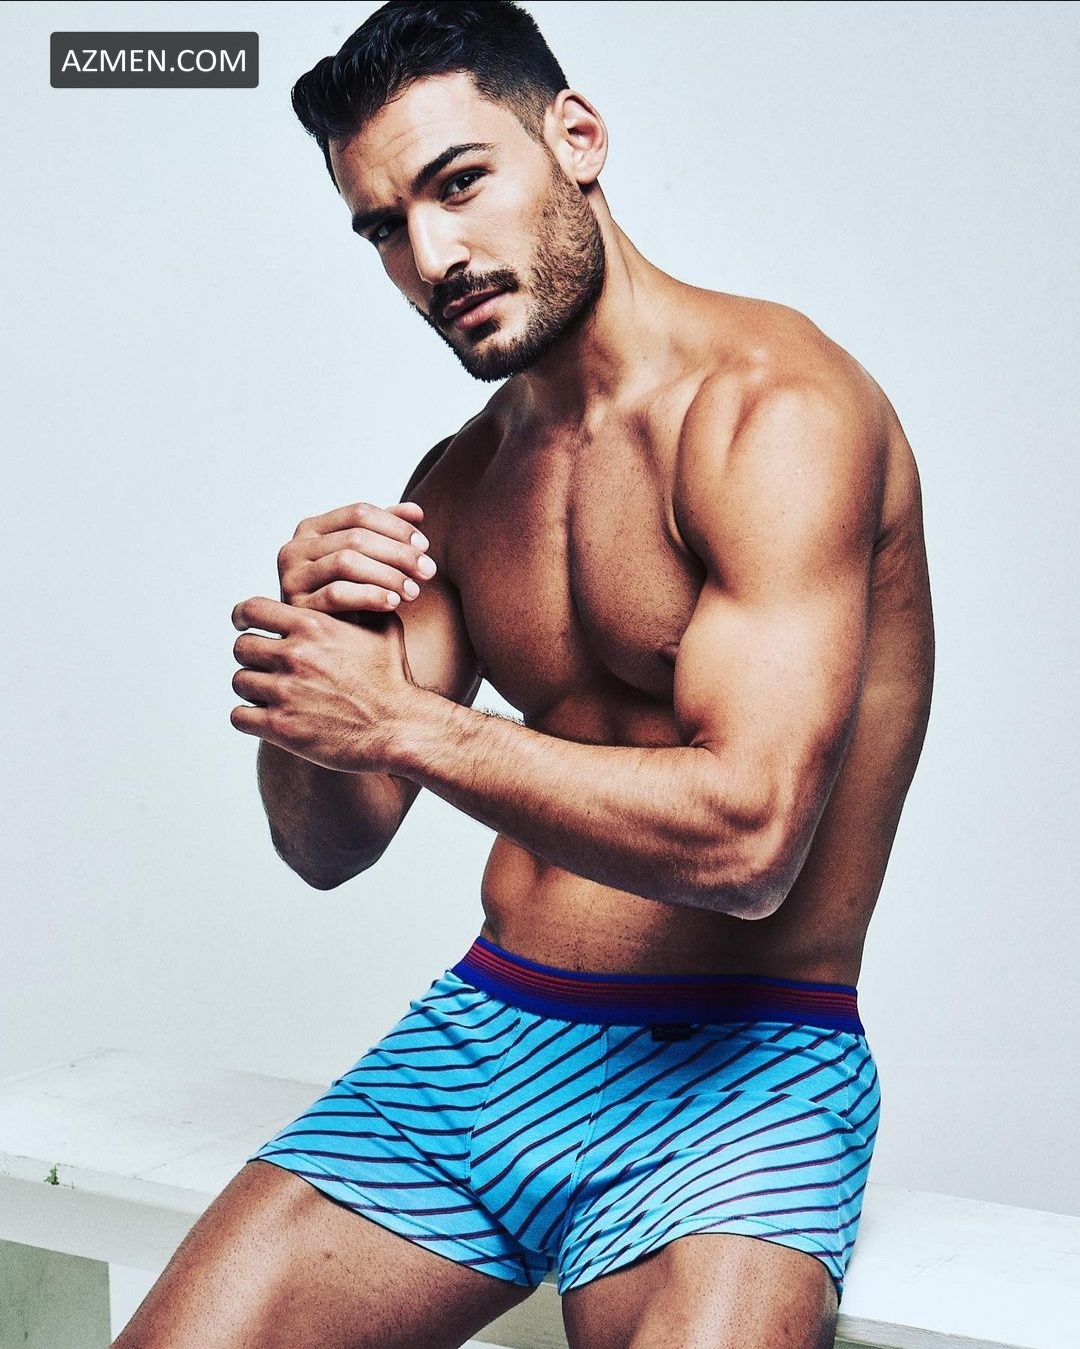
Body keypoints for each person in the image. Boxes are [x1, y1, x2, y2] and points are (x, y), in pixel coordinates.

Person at [114, 3, 934, 1346]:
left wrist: (406, 723)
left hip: (744, 1073)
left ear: (577, 139)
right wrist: (324, 661)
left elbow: (749, 841)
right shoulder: (464, 479)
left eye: (458, 183)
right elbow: (327, 845)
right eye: (385, 228)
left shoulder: (776, 412)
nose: (432, 256)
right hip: (485, 1046)